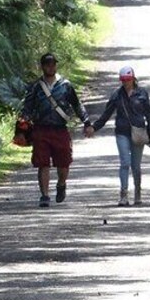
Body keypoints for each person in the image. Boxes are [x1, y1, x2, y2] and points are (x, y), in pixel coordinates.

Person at [19, 53, 93, 207]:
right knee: (42, 163)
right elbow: (27, 108)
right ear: (42, 66)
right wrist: (22, 127)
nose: (50, 67)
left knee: (64, 163)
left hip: (60, 129)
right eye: (47, 64)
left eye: (53, 64)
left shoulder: (65, 85)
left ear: (56, 65)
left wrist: (86, 121)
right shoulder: (35, 87)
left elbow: (76, 104)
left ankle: (61, 184)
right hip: (41, 129)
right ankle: (45, 195)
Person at [91, 67, 150, 206]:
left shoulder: (142, 94)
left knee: (136, 166)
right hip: (122, 133)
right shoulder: (117, 95)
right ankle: (123, 195)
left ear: (133, 79)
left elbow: (149, 115)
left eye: (128, 80)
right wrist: (94, 127)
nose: (125, 83)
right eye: (123, 80)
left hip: (138, 133)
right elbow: (106, 114)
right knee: (125, 163)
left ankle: (138, 193)